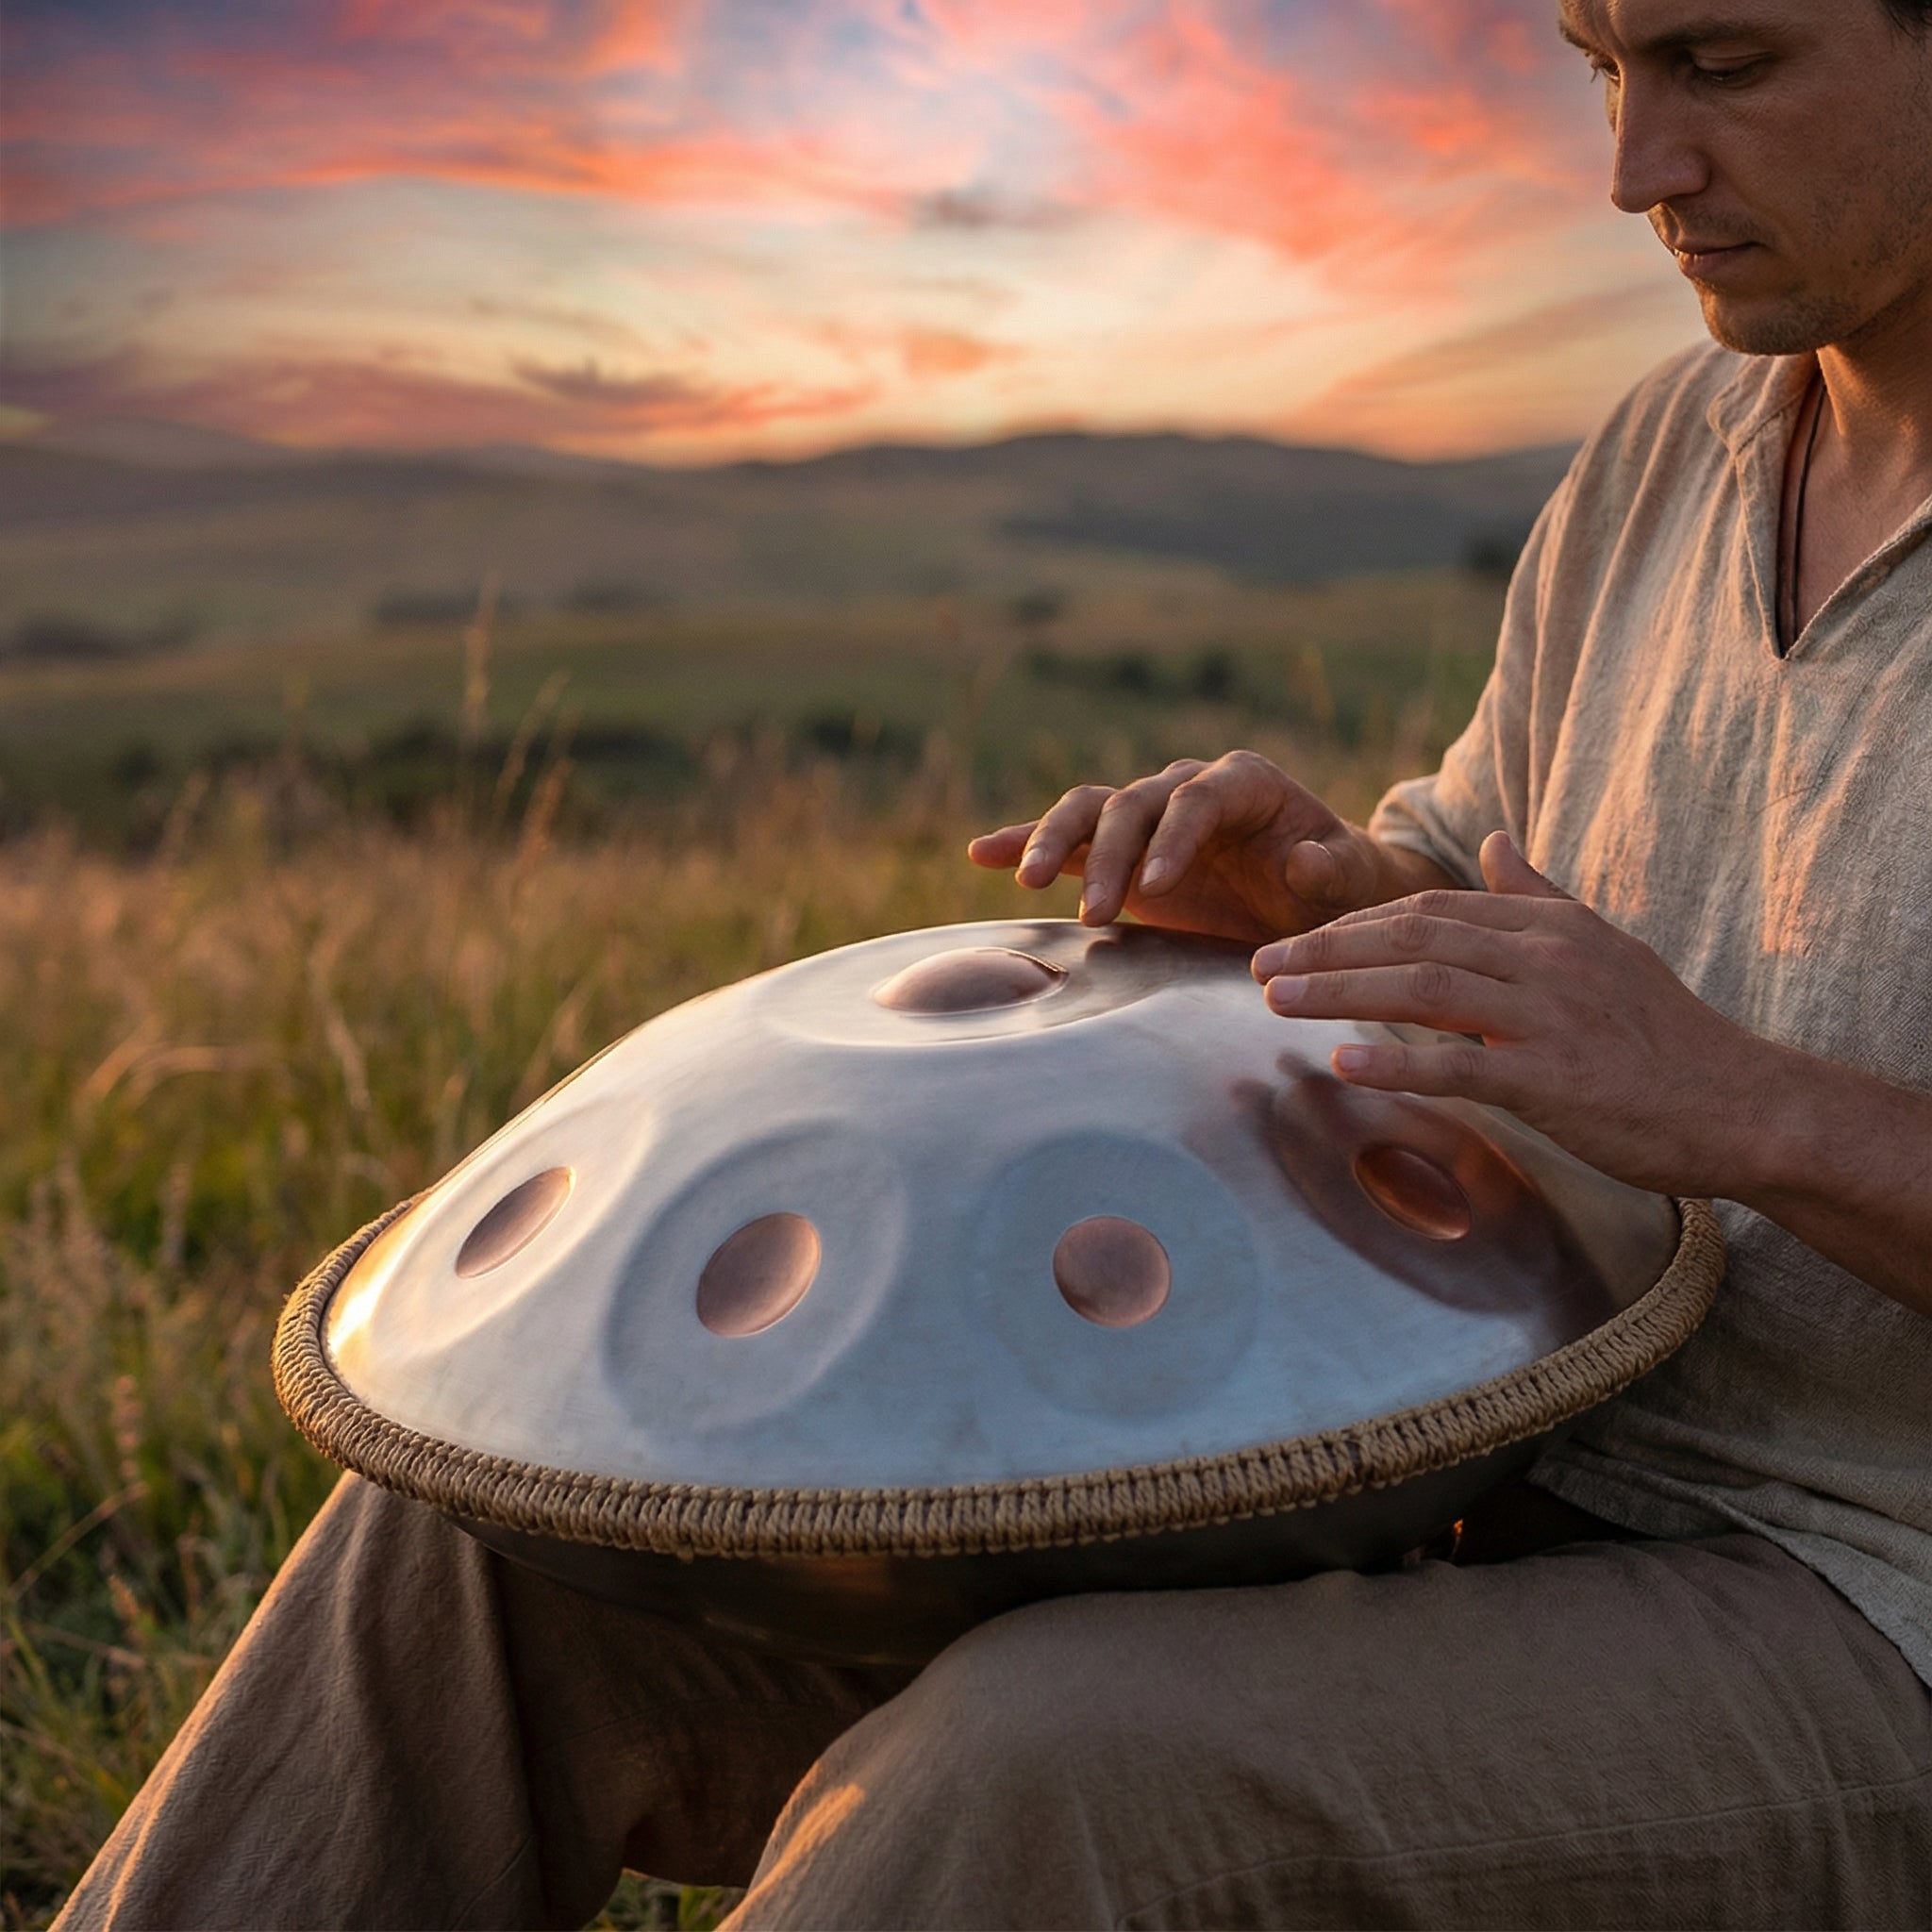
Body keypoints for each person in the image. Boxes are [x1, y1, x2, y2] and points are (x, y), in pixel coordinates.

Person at [54, 0, 1932, 1925]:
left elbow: (1682, 1069)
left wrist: (1749, 1107)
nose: (1634, 170)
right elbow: (1492, 872)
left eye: (1723, 64)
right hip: (1487, 1458)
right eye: (1601, 70)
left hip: (1871, 1602)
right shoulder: (1669, 446)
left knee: (1051, 1762)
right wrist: (1320, 897)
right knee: (497, 1538)